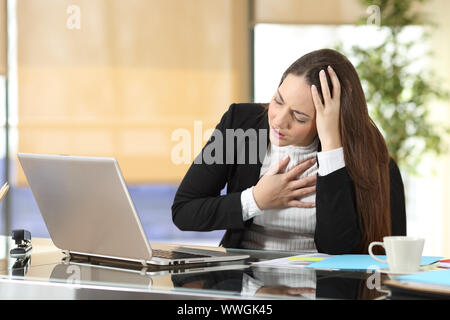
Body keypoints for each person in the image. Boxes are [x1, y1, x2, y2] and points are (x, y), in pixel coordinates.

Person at [171, 48, 406, 254]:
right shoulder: (242, 125)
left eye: (299, 117)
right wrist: (255, 199)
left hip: (320, 288)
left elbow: (336, 246)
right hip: (247, 287)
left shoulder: (374, 163)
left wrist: (332, 145)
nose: (279, 121)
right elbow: (184, 211)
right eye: (278, 101)